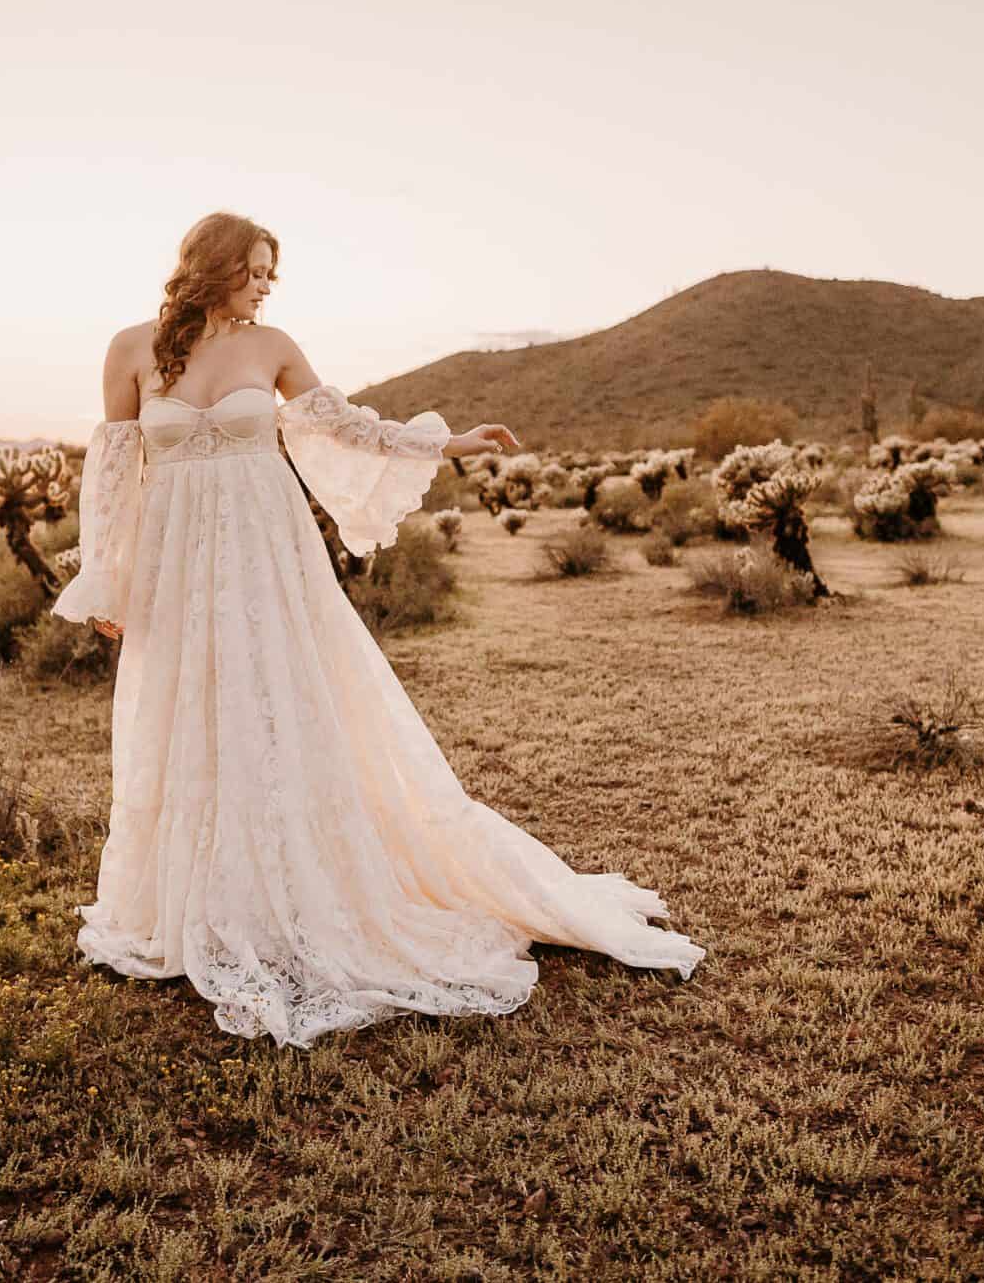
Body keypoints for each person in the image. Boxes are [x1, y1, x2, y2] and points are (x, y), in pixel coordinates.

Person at [52, 211, 705, 1048]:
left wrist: (448, 441)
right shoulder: (130, 348)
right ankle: (197, 897)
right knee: (188, 713)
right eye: (253, 269)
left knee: (283, 704)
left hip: (268, 558)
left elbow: (342, 426)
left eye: (269, 274)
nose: (263, 285)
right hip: (179, 561)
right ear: (211, 265)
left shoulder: (274, 345)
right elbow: (110, 472)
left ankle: (300, 886)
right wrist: (106, 572)